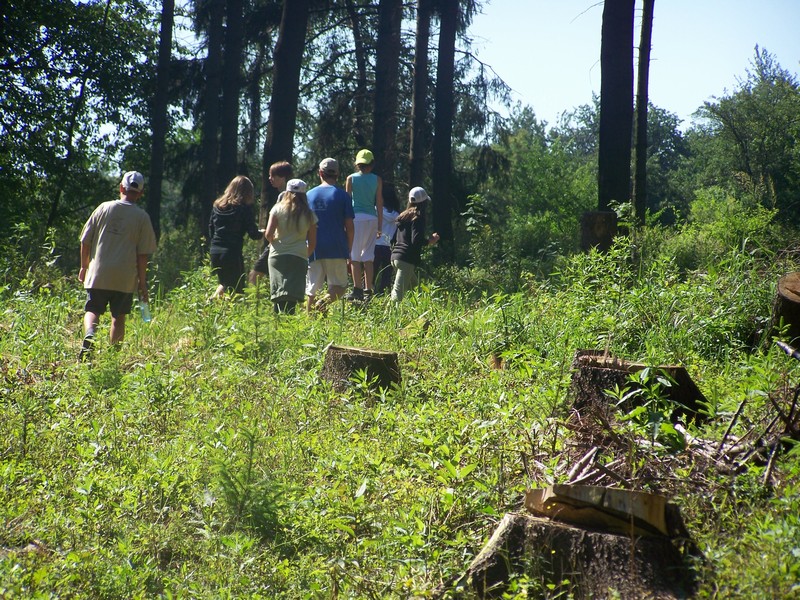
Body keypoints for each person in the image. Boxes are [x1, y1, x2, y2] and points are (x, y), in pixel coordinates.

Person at [78, 171, 157, 361]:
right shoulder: (142, 218)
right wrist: (142, 283)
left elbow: (85, 241)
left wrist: (83, 266)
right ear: (140, 193)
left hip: (99, 273)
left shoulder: (103, 208)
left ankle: (90, 333)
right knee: (119, 317)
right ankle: (112, 360)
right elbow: (142, 255)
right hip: (125, 278)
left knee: (92, 310)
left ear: (121, 188)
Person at [305, 158, 355, 311]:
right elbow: (350, 227)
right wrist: (349, 250)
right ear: (337, 174)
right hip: (337, 246)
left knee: (312, 288)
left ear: (320, 173)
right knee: (340, 286)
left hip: (313, 247)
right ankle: (323, 304)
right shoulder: (343, 196)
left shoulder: (308, 195)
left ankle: (309, 322)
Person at [264, 178, 317, 314]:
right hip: (298, 256)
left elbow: (268, 234)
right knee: (292, 296)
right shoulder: (309, 214)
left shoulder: (277, 209)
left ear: (286, 192)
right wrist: (304, 254)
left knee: (278, 293)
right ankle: (288, 325)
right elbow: (312, 242)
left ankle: (278, 326)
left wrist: (276, 242)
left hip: (277, 256)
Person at [208, 175, 262, 299]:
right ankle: (222, 310)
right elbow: (253, 234)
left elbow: (211, 228)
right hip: (231, 252)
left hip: (215, 251)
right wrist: (264, 232)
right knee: (237, 289)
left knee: (224, 283)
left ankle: (210, 303)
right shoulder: (243, 208)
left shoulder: (217, 206)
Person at [344, 149, 383, 301]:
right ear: (372, 164)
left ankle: (357, 289)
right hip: (372, 219)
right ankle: (368, 289)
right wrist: (380, 226)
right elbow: (379, 203)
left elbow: (347, 203)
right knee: (368, 256)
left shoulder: (351, 179)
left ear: (357, 164)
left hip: (356, 218)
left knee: (354, 255)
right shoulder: (377, 179)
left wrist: (344, 223)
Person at [390, 186, 439, 302]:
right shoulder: (417, 218)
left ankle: (421, 309)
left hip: (395, 257)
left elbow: (393, 239)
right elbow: (416, 240)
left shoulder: (403, 217)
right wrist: (430, 241)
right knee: (397, 294)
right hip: (406, 259)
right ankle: (390, 316)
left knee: (415, 288)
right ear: (424, 203)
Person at [249, 161, 293, 284]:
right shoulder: (295, 195)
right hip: (291, 242)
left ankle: (252, 300)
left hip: (278, 242)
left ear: (283, 178)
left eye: (273, 176)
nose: (270, 179)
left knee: (255, 274)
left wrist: (272, 237)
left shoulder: (284, 196)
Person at [373, 191, 400, 295]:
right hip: (389, 247)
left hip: (376, 245)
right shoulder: (397, 215)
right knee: (386, 274)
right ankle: (384, 293)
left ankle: (369, 292)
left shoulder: (376, 211)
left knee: (372, 273)